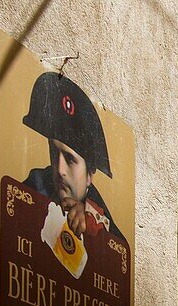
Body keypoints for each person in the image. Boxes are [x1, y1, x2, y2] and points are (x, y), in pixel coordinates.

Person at [21, 71, 124, 241]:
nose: (60, 169)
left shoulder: (99, 216)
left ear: (89, 175)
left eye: (70, 160)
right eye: (54, 153)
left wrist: (91, 225)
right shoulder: (36, 183)